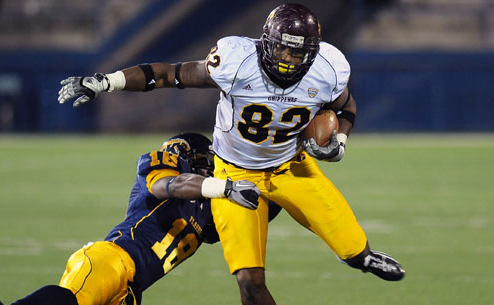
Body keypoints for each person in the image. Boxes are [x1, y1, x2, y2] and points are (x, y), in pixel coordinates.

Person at [57, 3, 405, 305]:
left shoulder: (328, 69)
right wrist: (107, 82)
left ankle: (361, 257)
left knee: (353, 246)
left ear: (313, 53)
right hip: (234, 173)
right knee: (249, 283)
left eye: (298, 53)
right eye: (284, 50)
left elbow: (345, 107)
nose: (289, 60)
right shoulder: (236, 61)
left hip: (292, 167)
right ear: (266, 43)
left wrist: (339, 143)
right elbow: (167, 75)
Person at [0, 133, 278, 305]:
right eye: (209, 163)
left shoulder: (207, 208)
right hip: (110, 261)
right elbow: (166, 186)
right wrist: (223, 185)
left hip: (130, 288)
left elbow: (257, 207)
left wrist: (285, 167)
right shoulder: (165, 170)